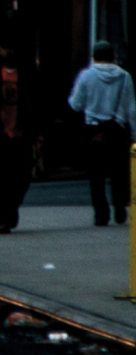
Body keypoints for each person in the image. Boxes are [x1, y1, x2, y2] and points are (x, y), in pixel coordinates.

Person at [67, 41, 136, 227]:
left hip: (93, 129)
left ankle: (101, 214)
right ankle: (120, 206)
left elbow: (76, 104)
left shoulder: (86, 76)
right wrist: (134, 134)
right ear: (113, 55)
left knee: (96, 174)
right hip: (117, 129)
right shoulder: (124, 77)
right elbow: (131, 109)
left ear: (94, 56)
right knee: (119, 172)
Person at [0, 45, 32, 233]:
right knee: (3, 177)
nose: (7, 52)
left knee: (22, 177)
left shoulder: (26, 74)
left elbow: (33, 101)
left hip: (20, 133)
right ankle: (3, 219)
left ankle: (10, 210)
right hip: (0, 133)